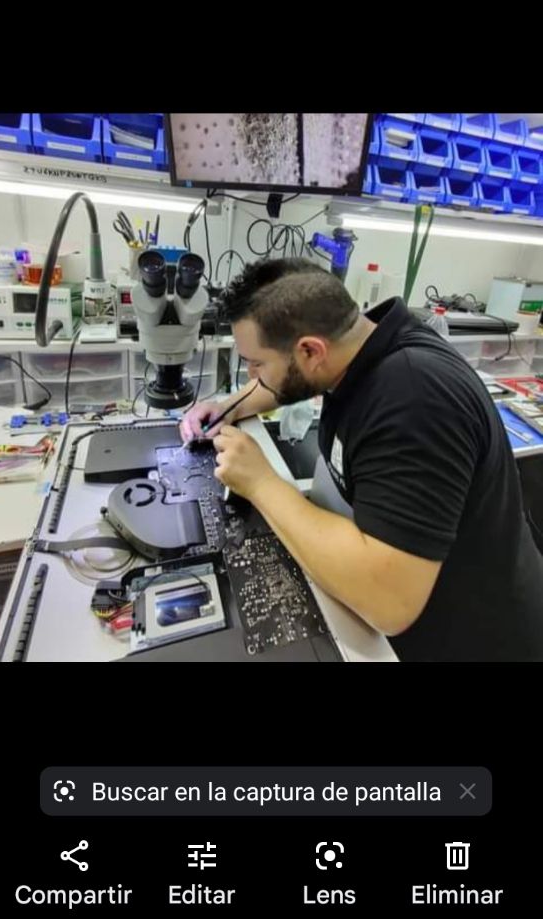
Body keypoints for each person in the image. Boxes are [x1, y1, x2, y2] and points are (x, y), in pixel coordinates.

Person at [180, 257, 543, 661]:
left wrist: (261, 483)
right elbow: (294, 375)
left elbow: (390, 604)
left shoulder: (414, 399)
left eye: (257, 363)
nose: (253, 376)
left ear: (311, 351)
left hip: (477, 640)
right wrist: (230, 406)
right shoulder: (363, 341)